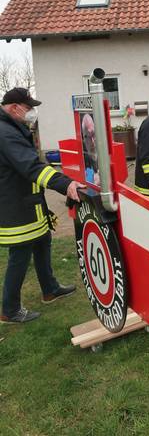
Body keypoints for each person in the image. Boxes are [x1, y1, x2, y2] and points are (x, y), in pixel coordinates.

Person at [0, 87, 84, 324]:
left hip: (29, 202)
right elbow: (31, 166)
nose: (32, 113)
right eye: (28, 108)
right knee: (20, 255)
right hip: (16, 206)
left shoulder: (13, 127)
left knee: (42, 242)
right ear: (14, 108)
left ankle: (50, 289)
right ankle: (10, 310)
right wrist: (65, 183)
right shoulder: (6, 133)